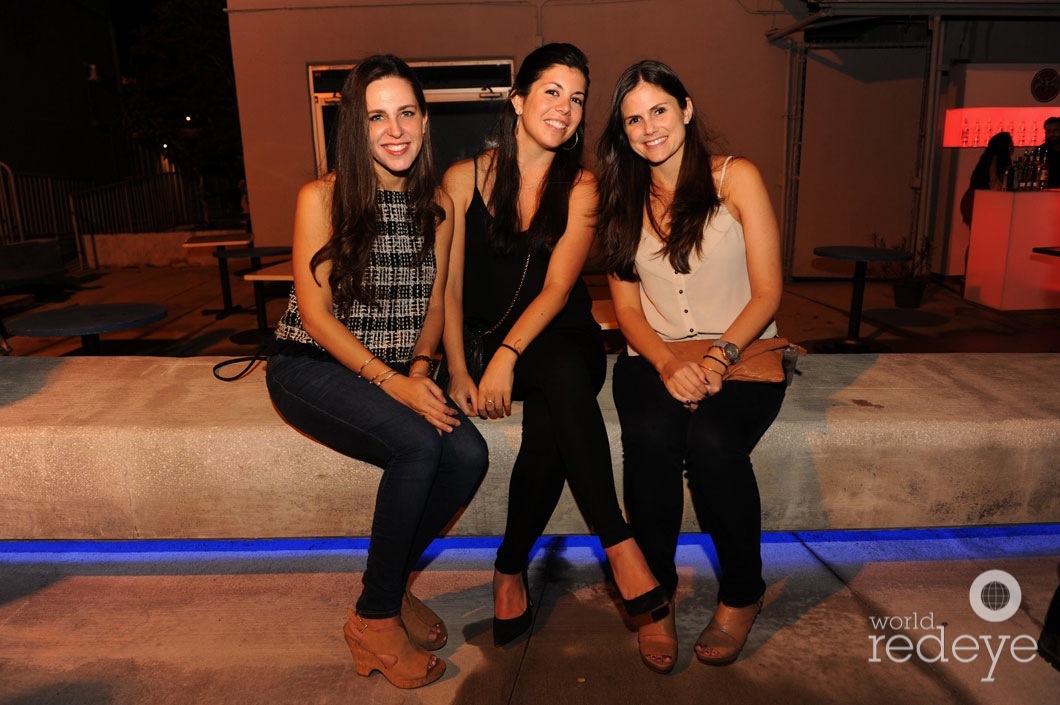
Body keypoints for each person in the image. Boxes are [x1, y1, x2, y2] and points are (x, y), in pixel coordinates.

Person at [265, 55, 488, 689]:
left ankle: (387, 586)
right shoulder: (324, 196)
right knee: (417, 444)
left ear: (424, 119)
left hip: (398, 369)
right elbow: (315, 312)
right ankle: (375, 616)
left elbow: (437, 298)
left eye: (407, 113)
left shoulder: (439, 205)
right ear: (354, 129)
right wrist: (396, 386)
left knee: (468, 456)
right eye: (376, 117)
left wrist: (422, 368)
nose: (395, 129)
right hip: (312, 363)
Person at [442, 43, 666, 648]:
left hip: (561, 336)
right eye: (551, 92)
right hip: (488, 344)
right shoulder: (462, 179)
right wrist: (462, 368)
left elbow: (560, 287)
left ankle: (610, 545)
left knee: (564, 376)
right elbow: (449, 288)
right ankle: (524, 565)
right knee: (550, 432)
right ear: (517, 100)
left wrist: (509, 360)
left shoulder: (583, 185)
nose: (565, 109)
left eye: (577, 99)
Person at [596, 59, 786, 672]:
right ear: (623, 132)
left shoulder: (736, 178)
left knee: (710, 442)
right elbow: (626, 308)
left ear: (686, 108)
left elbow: (768, 292)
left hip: (743, 346)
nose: (648, 127)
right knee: (650, 438)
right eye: (633, 119)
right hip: (653, 351)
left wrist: (716, 357)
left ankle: (742, 594)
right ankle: (656, 599)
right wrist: (665, 363)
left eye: (658, 110)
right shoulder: (622, 198)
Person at [960, 131, 1013, 226]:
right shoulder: (995, 160)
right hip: (979, 201)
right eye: (1010, 143)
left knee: (979, 232)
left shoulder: (987, 159)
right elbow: (994, 185)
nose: (1013, 146)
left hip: (974, 198)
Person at [1040, 116, 1059, 189]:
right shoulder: (1040, 152)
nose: (1052, 134)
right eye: (1048, 131)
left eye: (1055, 131)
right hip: (1045, 194)